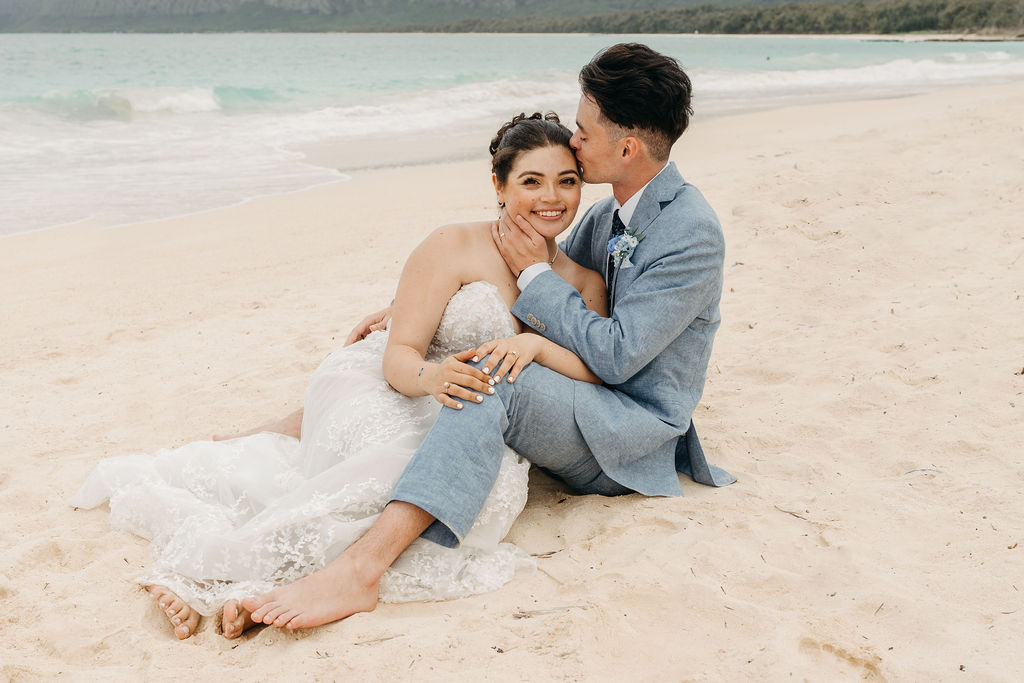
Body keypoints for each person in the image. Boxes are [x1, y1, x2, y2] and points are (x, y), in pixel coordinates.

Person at [240, 42, 735, 633]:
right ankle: (272, 436)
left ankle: (361, 570)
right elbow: (543, 281)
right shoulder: (607, 217)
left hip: (631, 428)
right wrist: (418, 303)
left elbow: (613, 352)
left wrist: (530, 310)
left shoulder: (690, 232)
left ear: (625, 147)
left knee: (491, 379)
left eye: (582, 130)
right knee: (415, 352)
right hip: (581, 396)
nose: (573, 141)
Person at [71, 112, 609, 640]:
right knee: (387, 465)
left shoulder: (582, 281)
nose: (551, 198)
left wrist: (535, 346)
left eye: (566, 181)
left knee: (474, 495)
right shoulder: (453, 243)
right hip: (401, 384)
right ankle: (208, 572)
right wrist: (432, 377)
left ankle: (276, 576)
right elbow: (399, 355)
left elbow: (598, 369)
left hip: (481, 413)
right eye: (531, 181)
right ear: (498, 183)